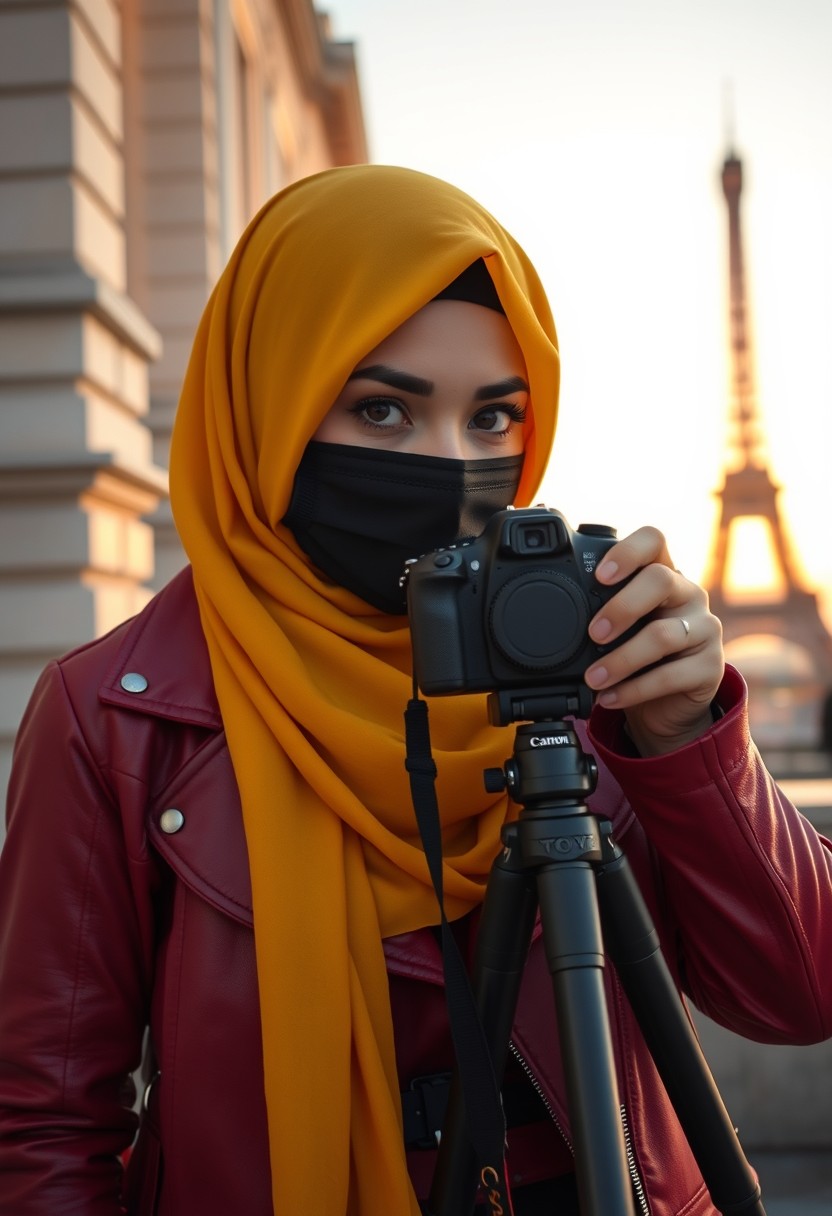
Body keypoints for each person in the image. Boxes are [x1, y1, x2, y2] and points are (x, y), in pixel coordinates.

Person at [0, 165, 830, 1216]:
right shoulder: (113, 714)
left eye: (494, 418)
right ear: (268, 408)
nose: (451, 467)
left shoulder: (586, 662)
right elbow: (45, 1127)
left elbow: (799, 991)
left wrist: (685, 744)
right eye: (384, 408)